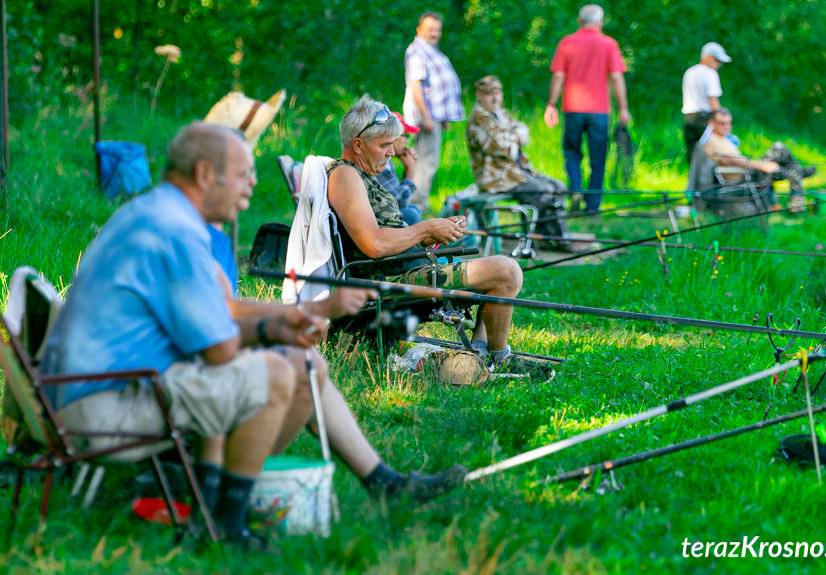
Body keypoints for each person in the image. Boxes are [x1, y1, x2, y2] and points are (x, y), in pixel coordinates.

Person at [40, 123, 466, 546]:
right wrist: (281, 324)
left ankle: (383, 482)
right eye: (244, 173)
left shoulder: (156, 214)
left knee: (302, 363)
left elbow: (213, 321)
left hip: (103, 389)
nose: (253, 183)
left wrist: (288, 321)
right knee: (277, 372)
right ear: (207, 174)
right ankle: (225, 524)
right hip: (103, 409)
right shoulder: (172, 231)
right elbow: (219, 347)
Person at [327, 95, 551, 379]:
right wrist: (426, 229)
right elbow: (373, 244)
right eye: (384, 145)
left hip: (406, 268)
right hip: (387, 283)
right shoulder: (345, 176)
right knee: (505, 271)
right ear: (357, 145)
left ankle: (482, 356)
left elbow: (387, 235)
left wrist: (434, 232)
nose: (391, 153)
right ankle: (498, 358)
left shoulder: (363, 176)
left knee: (497, 271)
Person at [544, 4, 629, 215]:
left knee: (572, 152)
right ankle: (592, 207)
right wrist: (623, 108)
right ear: (600, 22)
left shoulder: (567, 42)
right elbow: (617, 77)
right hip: (600, 111)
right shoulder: (609, 44)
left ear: (579, 21)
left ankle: (575, 189)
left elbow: (558, 76)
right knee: (598, 157)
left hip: (572, 108)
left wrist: (551, 104)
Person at [466, 75, 570, 243]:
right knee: (543, 192)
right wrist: (514, 135)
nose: (495, 97)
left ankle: (552, 237)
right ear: (479, 95)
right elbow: (501, 147)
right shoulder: (479, 118)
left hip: (517, 171)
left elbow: (524, 132)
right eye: (489, 93)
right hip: (497, 178)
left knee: (559, 187)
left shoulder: (500, 114)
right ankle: (555, 240)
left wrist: (510, 135)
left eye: (498, 92)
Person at [402, 11, 464, 212]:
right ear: (419, 29)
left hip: (434, 116)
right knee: (425, 162)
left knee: (428, 161)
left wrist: (443, 117)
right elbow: (415, 85)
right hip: (424, 118)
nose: (435, 33)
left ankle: (418, 202)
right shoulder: (417, 51)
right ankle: (416, 205)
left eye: (438, 30)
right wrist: (427, 117)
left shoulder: (431, 50)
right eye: (431, 29)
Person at [702, 108, 814, 212]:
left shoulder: (723, 138)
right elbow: (730, 161)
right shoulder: (712, 141)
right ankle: (799, 186)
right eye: (722, 123)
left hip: (748, 171)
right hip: (744, 177)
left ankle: (796, 201)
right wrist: (762, 165)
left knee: (790, 165)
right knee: (779, 148)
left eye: (728, 123)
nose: (727, 127)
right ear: (711, 124)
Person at [682, 42, 731, 164]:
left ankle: (693, 181)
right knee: (710, 154)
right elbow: (713, 100)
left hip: (688, 118)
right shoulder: (710, 73)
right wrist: (720, 120)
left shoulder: (689, 72)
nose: (719, 64)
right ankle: (710, 182)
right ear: (707, 57)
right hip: (705, 119)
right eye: (717, 60)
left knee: (692, 155)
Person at [375, 112, 422, 225]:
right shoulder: (379, 162)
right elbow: (398, 204)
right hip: (378, 220)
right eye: (405, 135)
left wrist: (408, 168)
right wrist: (410, 170)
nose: (407, 141)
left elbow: (398, 198)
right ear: (393, 137)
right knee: (411, 215)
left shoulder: (388, 160)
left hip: (385, 213)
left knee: (414, 209)